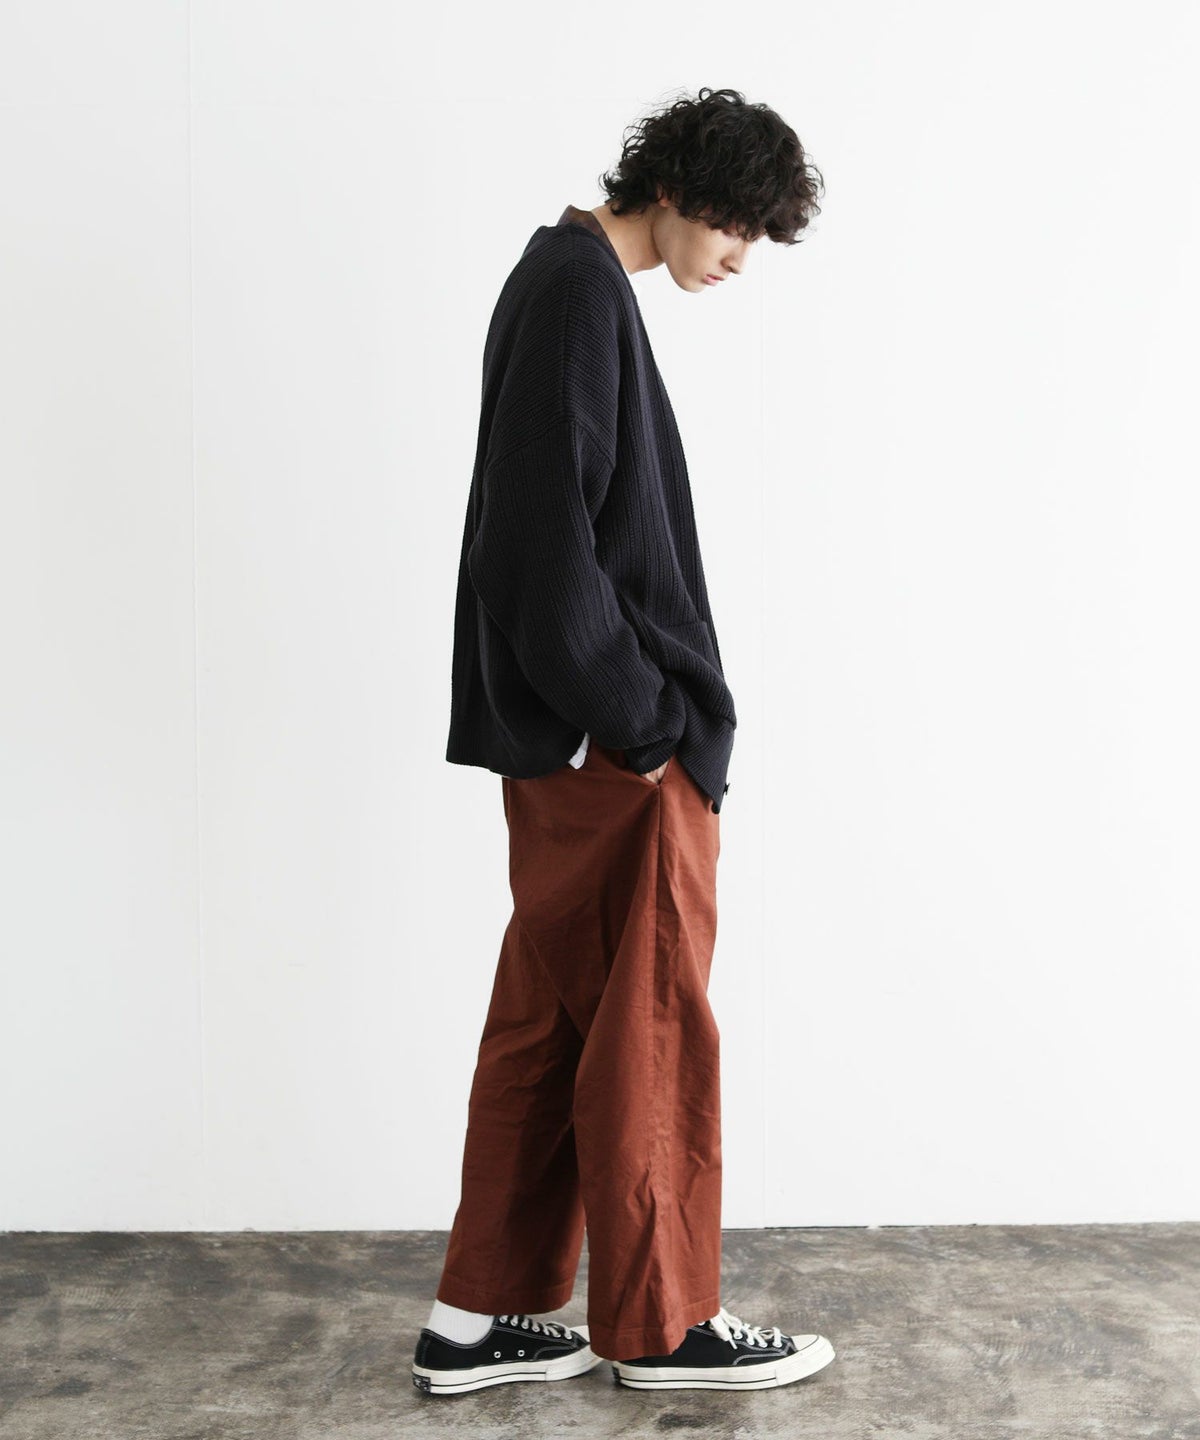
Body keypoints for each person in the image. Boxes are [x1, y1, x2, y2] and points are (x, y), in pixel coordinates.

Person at [414, 87, 831, 1396]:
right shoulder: (578, 293)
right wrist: (642, 725)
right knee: (650, 1033)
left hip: (568, 748)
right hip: (609, 755)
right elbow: (539, 550)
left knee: (548, 1033)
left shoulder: (569, 283)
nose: (740, 256)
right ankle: (662, 1326)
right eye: (738, 226)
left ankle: (474, 1319)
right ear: (683, 189)